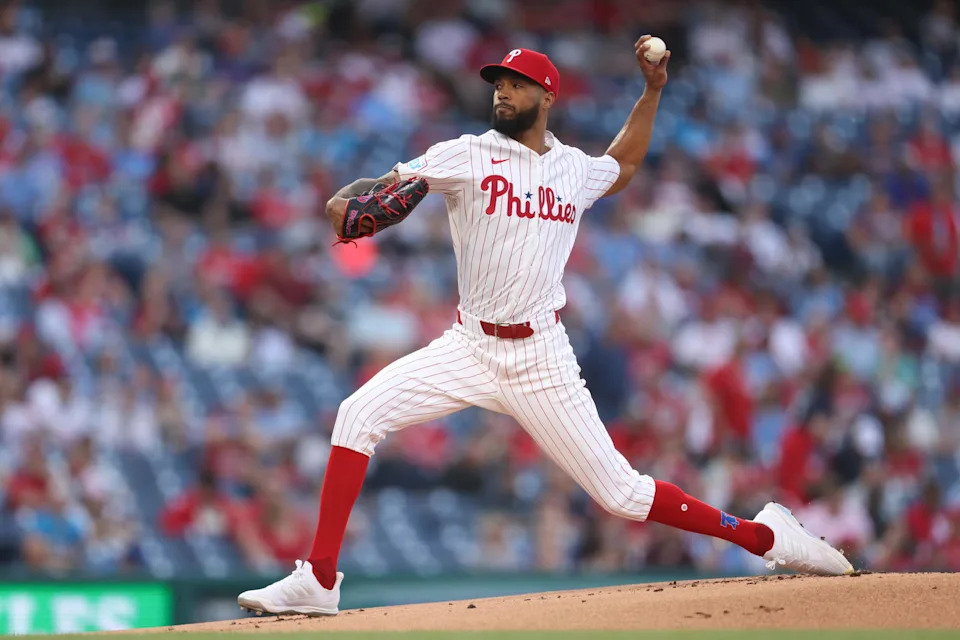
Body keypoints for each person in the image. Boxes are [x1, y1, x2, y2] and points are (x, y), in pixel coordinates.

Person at [238, 38, 852, 617]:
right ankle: (319, 579)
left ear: (547, 95)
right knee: (356, 414)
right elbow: (361, 201)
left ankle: (766, 536)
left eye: (517, 83)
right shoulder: (462, 153)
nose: (503, 91)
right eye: (498, 83)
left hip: (540, 358)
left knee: (622, 494)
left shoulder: (573, 169)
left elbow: (624, 163)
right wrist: (357, 201)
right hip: (469, 346)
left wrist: (653, 90)